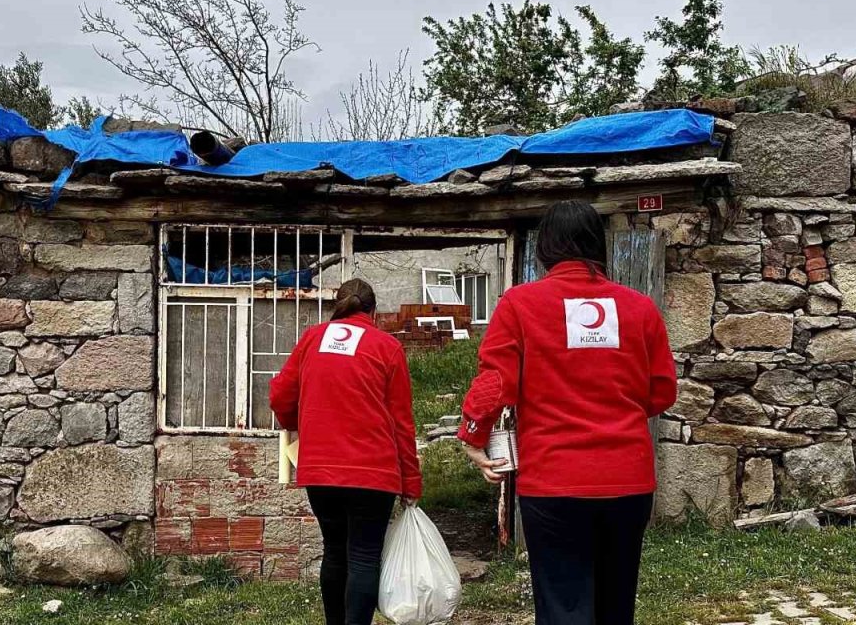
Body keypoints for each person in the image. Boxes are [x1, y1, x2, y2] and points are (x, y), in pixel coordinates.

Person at [457, 200, 678, 625]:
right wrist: (618, 410)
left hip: (553, 482)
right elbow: (663, 391)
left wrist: (473, 435)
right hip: (627, 480)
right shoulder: (639, 308)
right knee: (616, 604)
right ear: (599, 246)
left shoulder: (520, 305)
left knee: (563, 605)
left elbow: (496, 383)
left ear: (545, 249)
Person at [270, 278, 422, 625]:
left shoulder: (312, 339)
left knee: (335, 552)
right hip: (374, 473)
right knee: (365, 557)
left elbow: (280, 395)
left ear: (337, 306)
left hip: (320, 470)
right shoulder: (386, 347)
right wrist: (411, 482)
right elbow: (402, 423)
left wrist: (295, 420)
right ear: (373, 310)